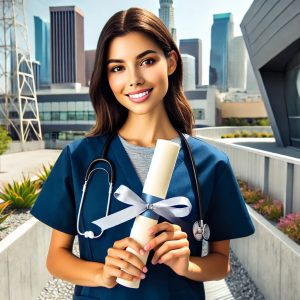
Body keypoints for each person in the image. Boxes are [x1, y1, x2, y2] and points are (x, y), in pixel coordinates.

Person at [31, 7, 254, 300]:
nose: (134, 79)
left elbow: (220, 262)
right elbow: (56, 258)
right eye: (118, 68)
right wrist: (102, 273)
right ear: (107, 77)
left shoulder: (211, 164)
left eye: (146, 61)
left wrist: (186, 264)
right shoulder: (80, 158)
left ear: (171, 62)